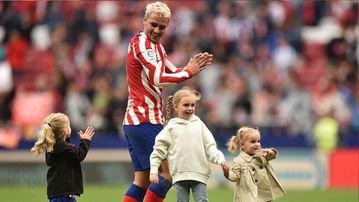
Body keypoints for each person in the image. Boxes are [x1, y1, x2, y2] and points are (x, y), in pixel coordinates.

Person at [123, 1, 213, 202]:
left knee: (143, 180)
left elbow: (172, 71)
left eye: (162, 27)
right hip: (144, 118)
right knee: (167, 173)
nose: (156, 30)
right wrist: (188, 71)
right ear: (144, 21)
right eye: (153, 24)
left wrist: (190, 67)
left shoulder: (157, 48)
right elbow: (158, 78)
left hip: (138, 121)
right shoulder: (142, 45)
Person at [149, 88, 229, 202]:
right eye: (186, 105)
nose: (190, 108)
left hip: (199, 174)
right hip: (179, 176)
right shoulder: (170, 128)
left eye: (193, 105)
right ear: (176, 107)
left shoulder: (199, 125)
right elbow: (158, 151)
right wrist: (153, 170)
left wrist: (221, 161)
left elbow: (211, 147)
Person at [30, 112, 95, 202]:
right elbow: (79, 155)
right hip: (63, 195)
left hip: (59, 194)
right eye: (68, 125)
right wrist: (85, 141)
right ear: (64, 131)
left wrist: (66, 139)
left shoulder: (54, 145)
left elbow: (68, 152)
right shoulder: (62, 147)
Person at [223, 127, 286, 202]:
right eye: (253, 142)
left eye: (258, 141)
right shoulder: (238, 161)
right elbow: (235, 176)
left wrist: (268, 151)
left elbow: (273, 155)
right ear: (243, 145)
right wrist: (227, 173)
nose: (257, 144)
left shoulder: (261, 154)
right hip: (248, 197)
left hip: (264, 195)